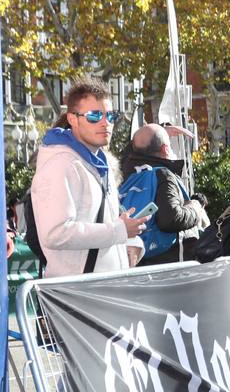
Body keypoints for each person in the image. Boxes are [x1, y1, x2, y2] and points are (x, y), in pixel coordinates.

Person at [30, 77, 148, 276]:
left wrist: (131, 241)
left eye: (110, 116)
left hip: (102, 287)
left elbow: (105, 221)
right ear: (72, 119)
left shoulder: (100, 163)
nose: (105, 123)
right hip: (76, 293)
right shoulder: (60, 164)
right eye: (94, 116)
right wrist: (119, 232)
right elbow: (56, 234)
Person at [120, 124, 208, 265]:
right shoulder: (163, 175)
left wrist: (159, 134)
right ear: (165, 148)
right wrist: (196, 207)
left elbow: (128, 153)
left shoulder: (128, 176)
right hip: (169, 265)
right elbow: (171, 219)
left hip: (138, 259)